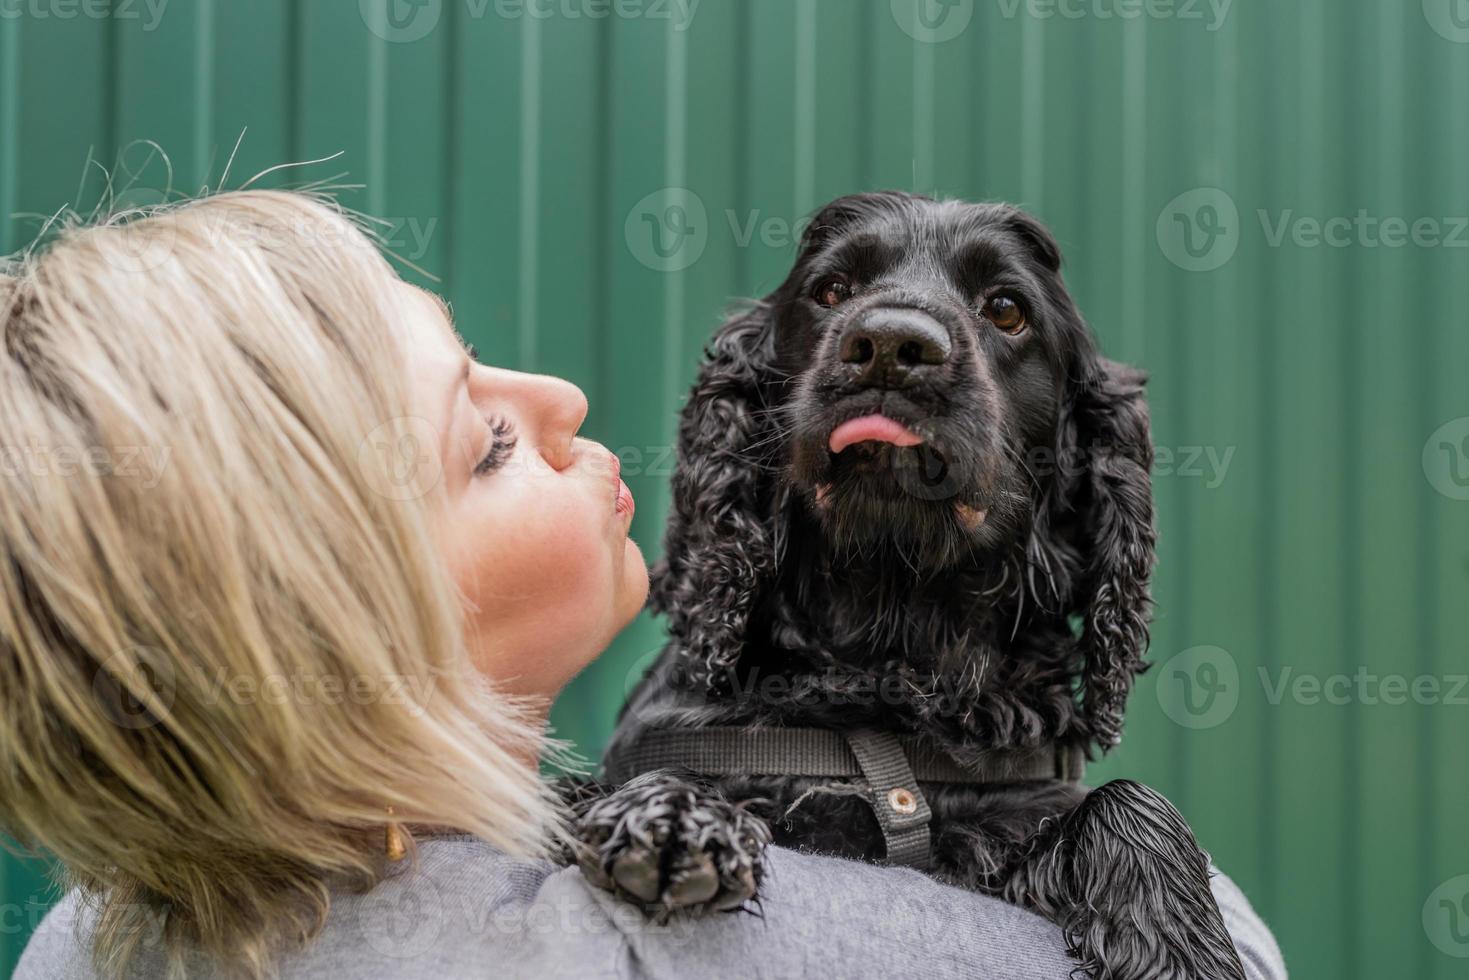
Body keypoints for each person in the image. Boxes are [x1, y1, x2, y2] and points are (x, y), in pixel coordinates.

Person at [2, 191, 1284, 979]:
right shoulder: (594, 943)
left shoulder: (80, 940)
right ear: (335, 614)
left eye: (492, 359)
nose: (561, 396)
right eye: (484, 442)